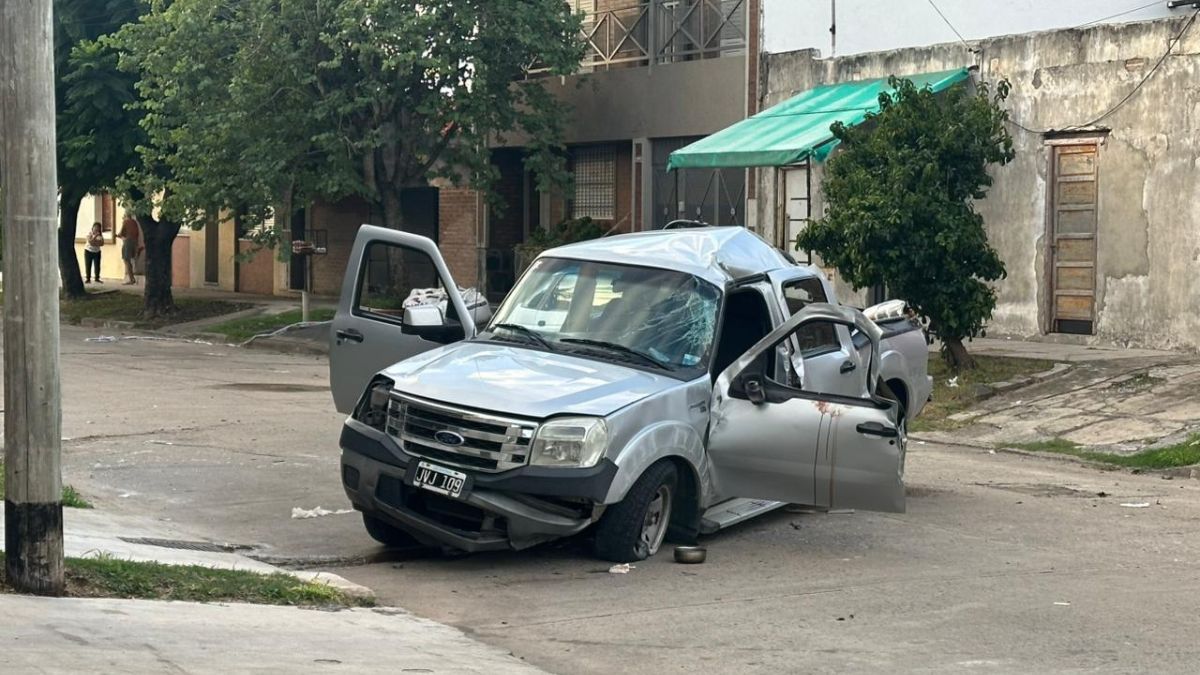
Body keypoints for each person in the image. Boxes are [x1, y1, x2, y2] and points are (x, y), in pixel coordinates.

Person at [116, 216, 141, 285]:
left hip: (127, 242)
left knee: (126, 259)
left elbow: (121, 233)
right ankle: (133, 278)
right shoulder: (134, 222)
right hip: (135, 242)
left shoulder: (126, 222)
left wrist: (117, 235)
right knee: (132, 259)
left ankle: (131, 279)